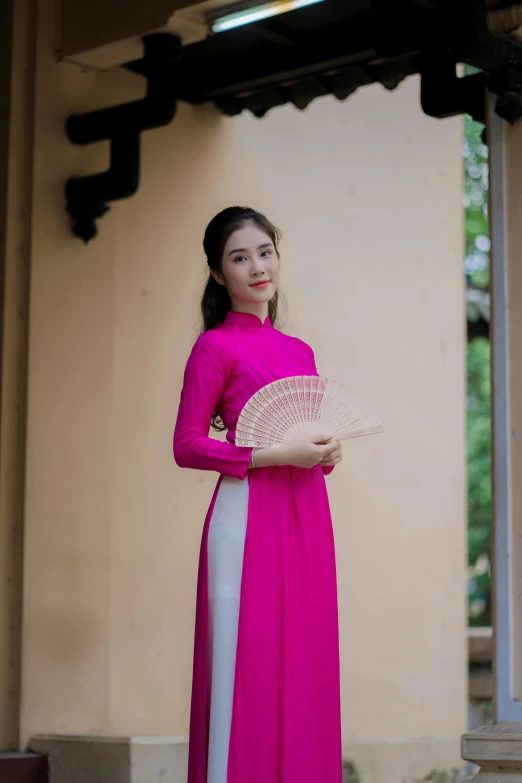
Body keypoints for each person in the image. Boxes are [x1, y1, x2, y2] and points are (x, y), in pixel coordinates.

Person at [173, 206, 343, 783]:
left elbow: (307, 450)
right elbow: (187, 445)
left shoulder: (301, 352)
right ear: (219, 275)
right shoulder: (214, 348)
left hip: (306, 521)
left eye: (264, 252)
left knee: (304, 663)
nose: (256, 267)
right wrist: (273, 457)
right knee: (247, 669)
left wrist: (324, 455)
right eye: (239, 258)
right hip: (246, 520)